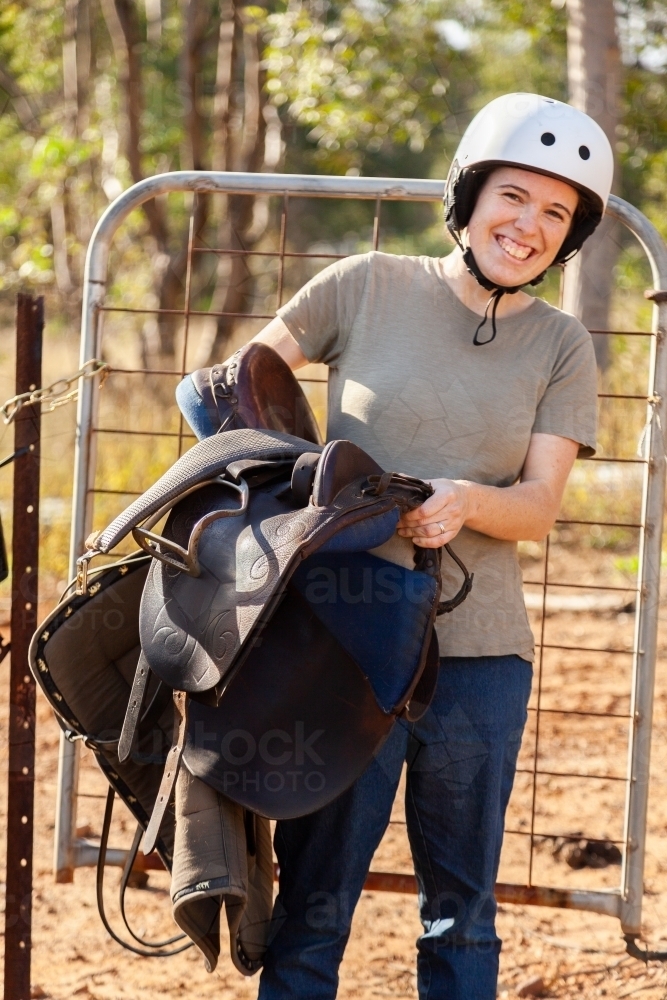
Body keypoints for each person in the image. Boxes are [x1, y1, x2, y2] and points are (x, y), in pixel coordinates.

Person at [177, 93, 614, 999]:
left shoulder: (561, 346)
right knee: (316, 902)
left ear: (568, 237)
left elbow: (536, 507)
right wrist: (318, 498)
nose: (527, 225)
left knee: (460, 911)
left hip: (479, 661)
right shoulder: (362, 283)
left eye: (554, 213)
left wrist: (465, 501)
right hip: (338, 646)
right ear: (467, 195)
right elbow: (239, 399)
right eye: (513, 196)